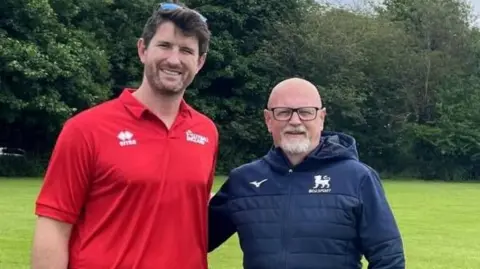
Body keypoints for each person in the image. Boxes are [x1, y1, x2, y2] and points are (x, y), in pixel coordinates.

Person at [31, 2, 218, 269]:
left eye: (186, 50)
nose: (174, 59)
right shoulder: (85, 129)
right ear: (143, 49)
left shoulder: (206, 132)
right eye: (164, 46)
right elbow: (54, 227)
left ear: (199, 62)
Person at [208, 78, 405, 269]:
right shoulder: (243, 181)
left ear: (321, 118)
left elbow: (388, 258)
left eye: (305, 112)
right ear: (268, 120)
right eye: (283, 112)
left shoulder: (358, 178)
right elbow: (194, 241)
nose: (295, 121)